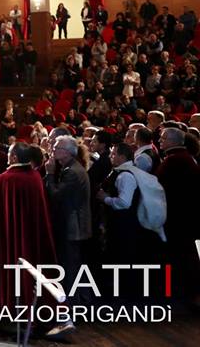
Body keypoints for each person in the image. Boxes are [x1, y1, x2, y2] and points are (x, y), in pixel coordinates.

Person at [0, 143, 57, 315]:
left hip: (10, 238)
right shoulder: (35, 176)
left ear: (14, 157)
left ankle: (11, 308)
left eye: (9, 153)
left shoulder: (5, 179)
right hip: (31, 236)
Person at [96, 142, 165, 297]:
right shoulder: (123, 172)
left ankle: (125, 292)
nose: (111, 156)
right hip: (122, 224)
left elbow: (124, 203)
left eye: (114, 154)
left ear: (122, 156)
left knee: (123, 256)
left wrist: (105, 198)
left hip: (124, 224)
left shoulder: (125, 175)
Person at [44, 135, 92, 323]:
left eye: (57, 148)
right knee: (71, 268)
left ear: (67, 152)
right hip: (74, 226)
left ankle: (70, 309)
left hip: (73, 228)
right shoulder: (70, 168)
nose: (53, 150)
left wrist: (49, 174)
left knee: (70, 269)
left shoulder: (72, 172)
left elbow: (56, 195)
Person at [153, 128, 200, 301]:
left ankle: (174, 292)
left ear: (173, 141)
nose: (160, 141)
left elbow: (160, 187)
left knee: (176, 257)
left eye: (163, 138)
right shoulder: (184, 158)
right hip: (185, 217)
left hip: (178, 219)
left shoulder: (174, 160)